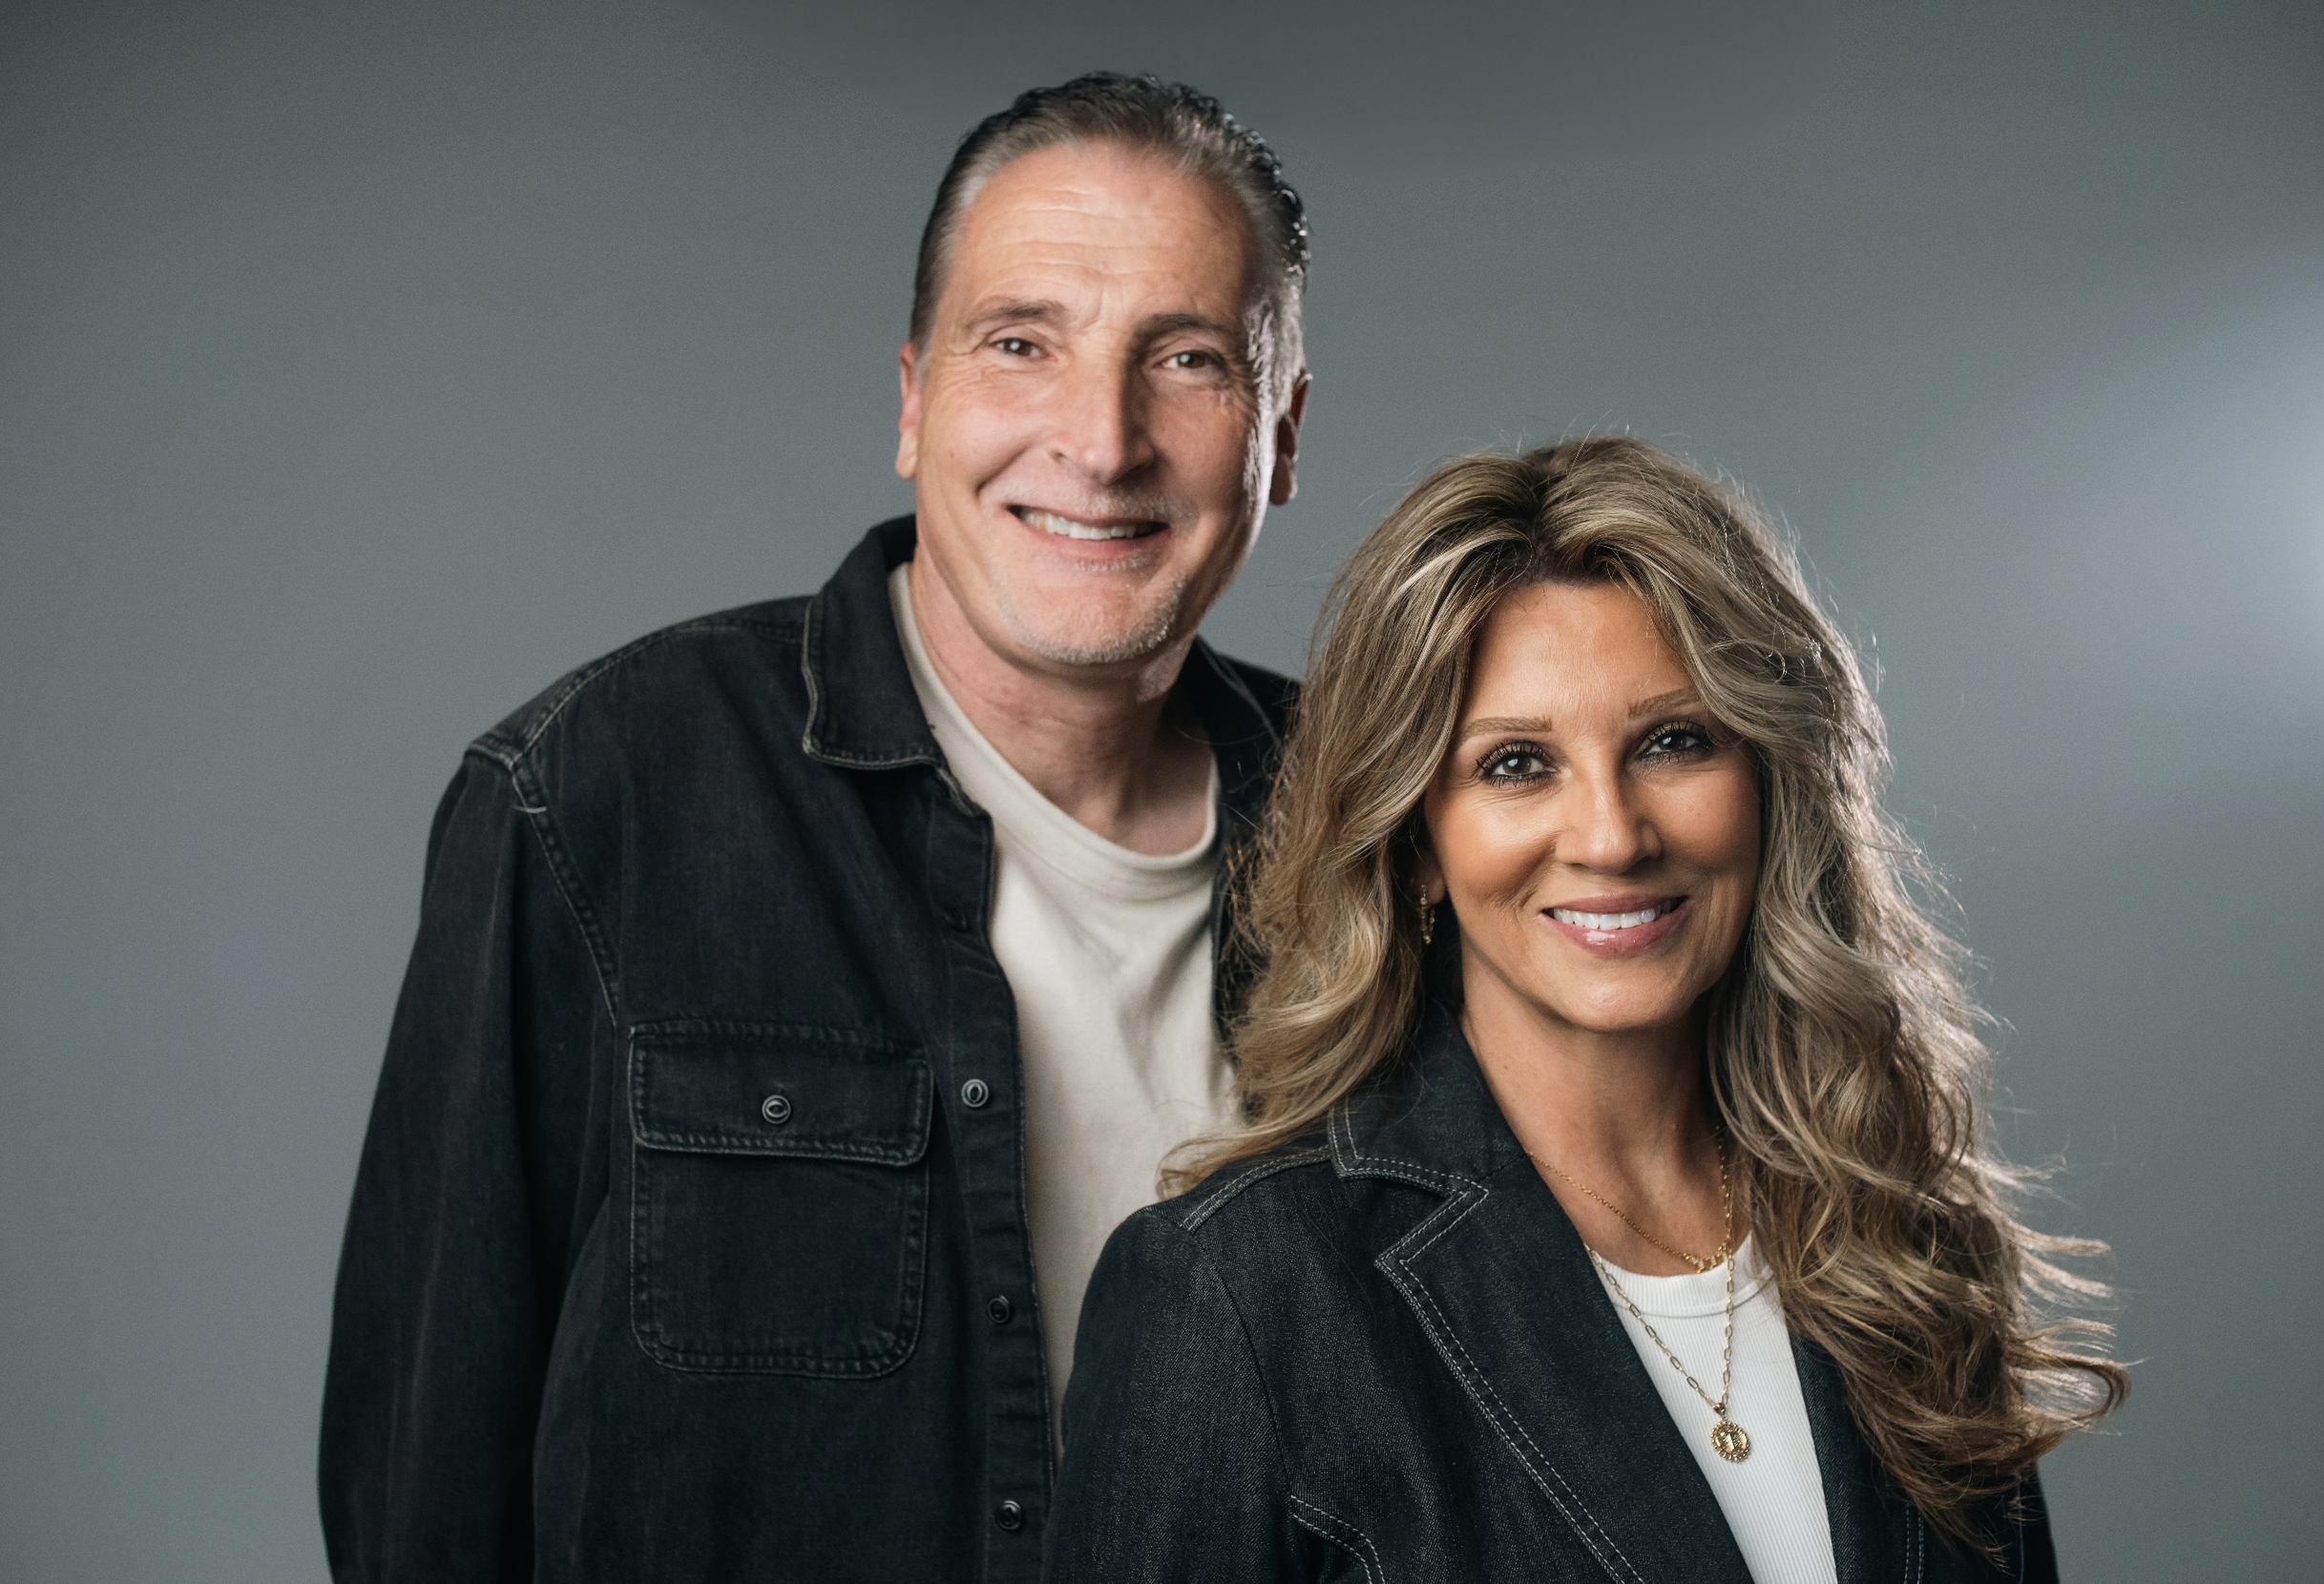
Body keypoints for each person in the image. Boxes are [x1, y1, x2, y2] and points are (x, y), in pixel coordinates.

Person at [319, 74, 1310, 1582]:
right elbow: (424, 1500)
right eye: (1022, 343)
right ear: (914, 401)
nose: (1101, 440)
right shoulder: (596, 796)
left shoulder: (1381, 828)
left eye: (1186, 360)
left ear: (1279, 436)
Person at [1045, 437, 2127, 1582]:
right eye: (1516, 764)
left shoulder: (1904, 1243)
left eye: (1673, 742)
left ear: (1769, 786)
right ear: (1416, 842)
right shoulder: (1238, 1292)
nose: (1611, 836)